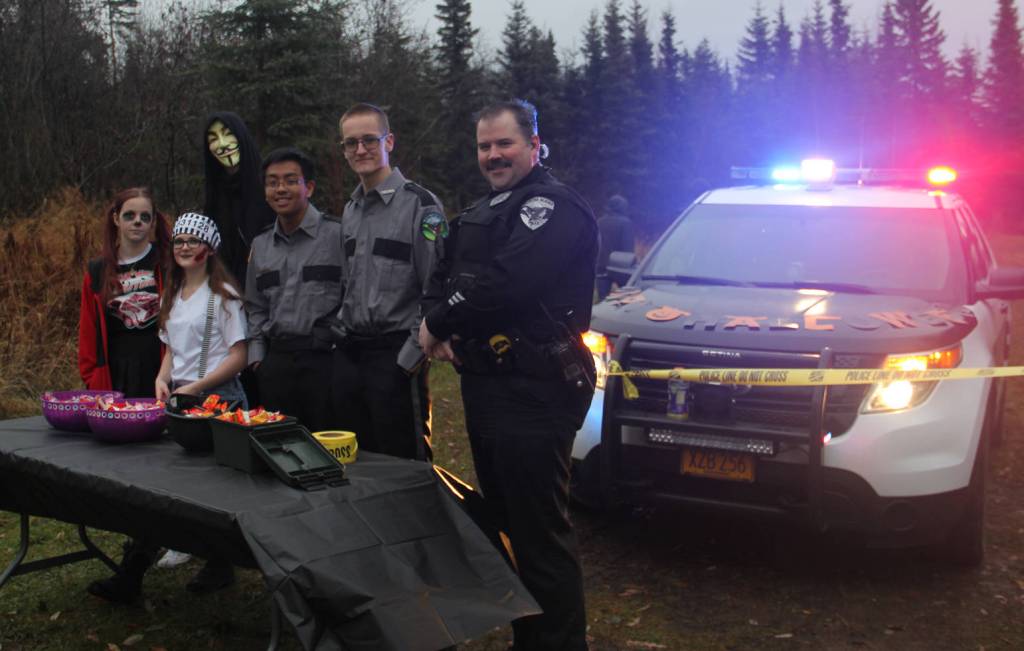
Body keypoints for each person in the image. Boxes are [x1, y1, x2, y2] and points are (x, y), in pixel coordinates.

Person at [418, 99, 598, 651]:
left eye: (505, 144)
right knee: (507, 521)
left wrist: (438, 321)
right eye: (484, 146)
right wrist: (440, 320)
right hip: (488, 385)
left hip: (535, 387)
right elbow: (444, 267)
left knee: (539, 530)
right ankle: (531, 634)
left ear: (534, 145)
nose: (493, 155)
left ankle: (561, 642)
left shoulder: (552, 207)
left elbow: (507, 280)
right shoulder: (485, 209)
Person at [88, 213, 247, 601]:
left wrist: (197, 385)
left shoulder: (224, 295)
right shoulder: (174, 294)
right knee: (164, 487)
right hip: (180, 400)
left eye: (194, 241)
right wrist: (163, 378)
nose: (186, 247)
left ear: (210, 249)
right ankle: (135, 572)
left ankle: (217, 563)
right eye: (179, 241)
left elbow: (239, 356)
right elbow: (173, 349)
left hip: (218, 401)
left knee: (212, 490)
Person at [331, 103, 445, 461]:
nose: (360, 150)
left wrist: (407, 361)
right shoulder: (350, 211)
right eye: (351, 143)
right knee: (363, 461)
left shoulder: (421, 207)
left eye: (369, 140)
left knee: (405, 464)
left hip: (398, 354)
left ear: (389, 141)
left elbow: (436, 287)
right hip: (353, 355)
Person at [245, 147, 343, 433]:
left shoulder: (337, 235)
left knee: (329, 447)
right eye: (272, 182)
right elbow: (255, 304)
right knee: (281, 448)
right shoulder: (261, 245)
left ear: (308, 187)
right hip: (276, 364)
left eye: (290, 180)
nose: (280, 189)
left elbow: (353, 293)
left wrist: (335, 341)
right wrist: (257, 357)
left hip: (325, 361)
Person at [78, 187, 171, 395]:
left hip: (160, 368)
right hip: (114, 373)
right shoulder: (98, 270)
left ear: (153, 222)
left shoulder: (168, 263)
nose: (137, 221)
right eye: (129, 215)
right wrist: (92, 379)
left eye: (145, 216)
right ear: (116, 218)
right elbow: (88, 331)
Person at [202, 111, 276, 288]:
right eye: (213, 139)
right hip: (230, 292)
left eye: (228, 135)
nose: (223, 145)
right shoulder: (215, 196)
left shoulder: (269, 186)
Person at [595, 193, 635, 300]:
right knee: (626, 298)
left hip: (601, 267)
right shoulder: (626, 223)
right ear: (623, 207)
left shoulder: (599, 222)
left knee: (602, 300)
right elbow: (628, 248)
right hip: (620, 267)